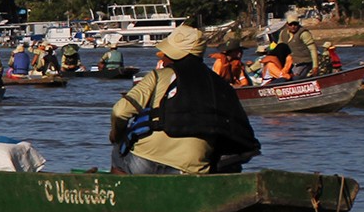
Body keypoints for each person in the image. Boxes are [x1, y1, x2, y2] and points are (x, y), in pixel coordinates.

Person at [108, 25, 259, 175]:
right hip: (191, 169)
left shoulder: (158, 75)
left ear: (175, 55)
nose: (163, 58)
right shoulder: (221, 85)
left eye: (166, 54)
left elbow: (119, 111)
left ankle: (123, 193)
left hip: (143, 161)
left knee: (118, 149)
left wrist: (116, 134)